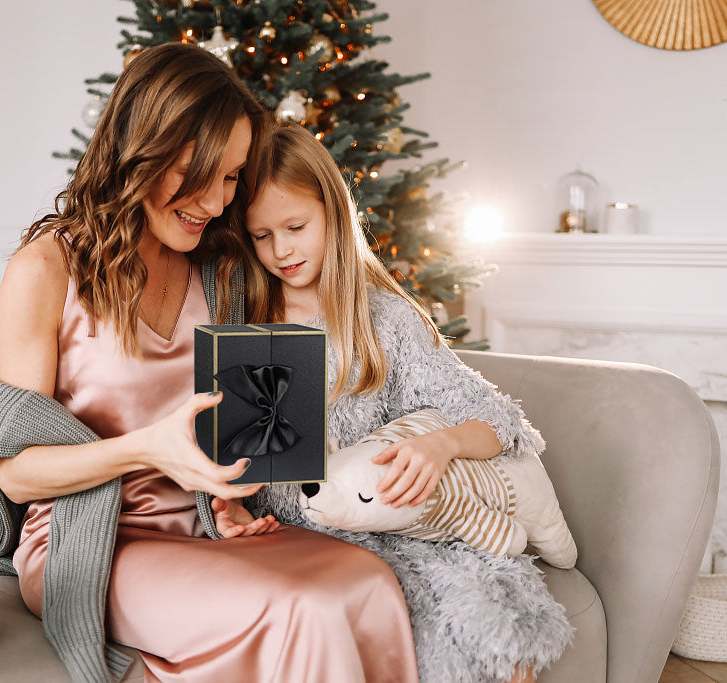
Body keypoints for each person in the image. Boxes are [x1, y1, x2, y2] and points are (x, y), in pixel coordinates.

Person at [0, 43, 419, 682]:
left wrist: (229, 500)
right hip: (91, 542)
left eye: (232, 176)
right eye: (201, 172)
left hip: (206, 531)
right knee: (304, 608)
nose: (217, 201)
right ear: (143, 149)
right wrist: (147, 449)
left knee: (370, 581)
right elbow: (15, 477)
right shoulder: (44, 272)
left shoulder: (217, 266)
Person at [241, 124, 571, 683]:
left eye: (296, 227)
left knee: (491, 626)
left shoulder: (384, 320)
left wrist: (440, 445)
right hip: (290, 538)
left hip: (394, 529)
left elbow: (496, 418)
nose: (281, 251)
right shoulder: (240, 321)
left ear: (333, 215)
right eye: (261, 236)